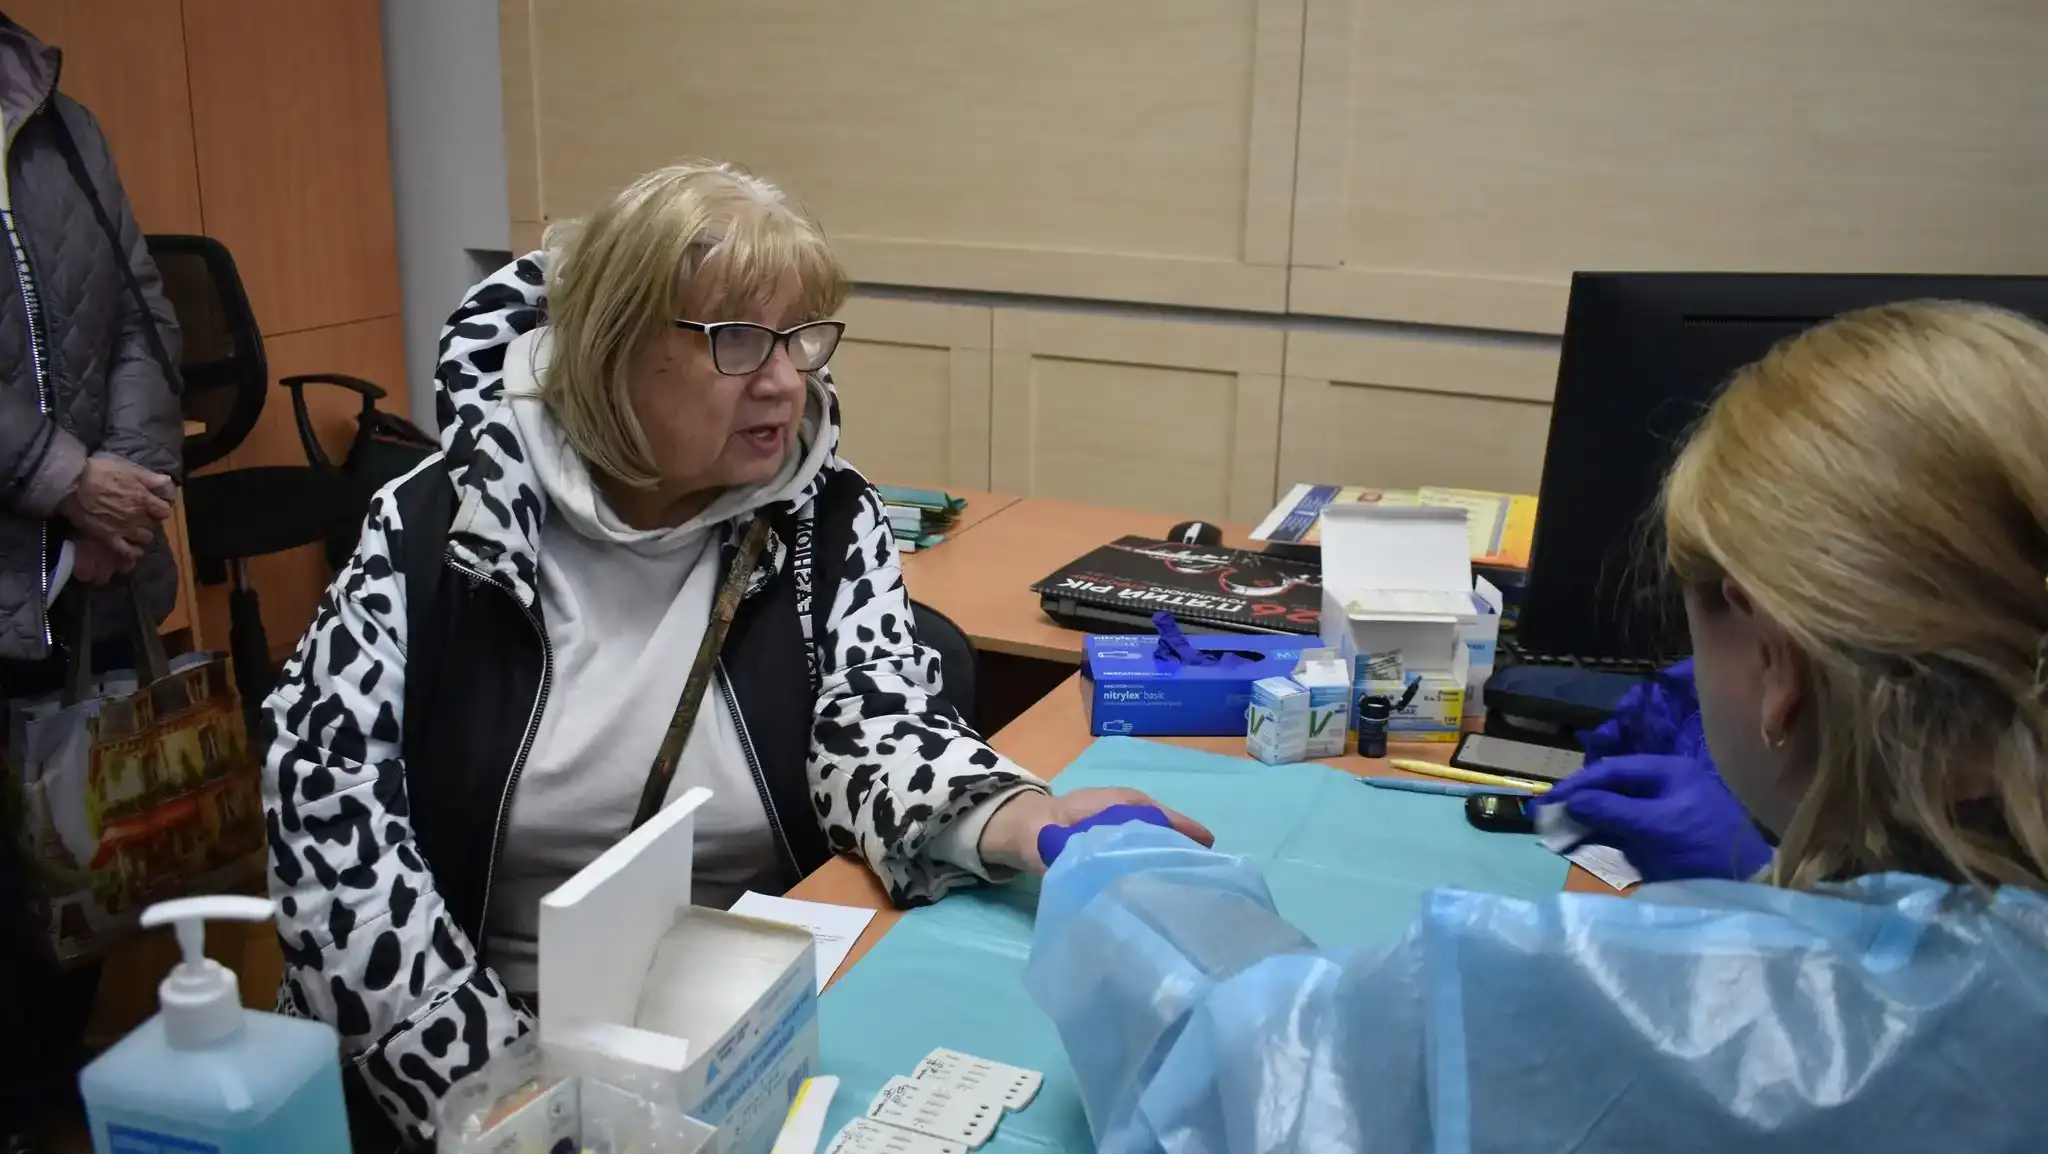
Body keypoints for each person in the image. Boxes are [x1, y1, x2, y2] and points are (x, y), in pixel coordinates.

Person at [259, 160, 1208, 1146]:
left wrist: (1018, 817)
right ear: (613, 348)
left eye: (799, 336)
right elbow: (336, 846)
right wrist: (508, 1101)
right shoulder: (430, 530)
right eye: (737, 338)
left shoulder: (823, 517)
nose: (786, 379)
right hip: (478, 1070)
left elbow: (876, 724)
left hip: (738, 1037)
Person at [1027, 301, 2048, 1152]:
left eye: (1692, 621)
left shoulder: (1668, 1004)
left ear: (1774, 663)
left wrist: (1119, 867)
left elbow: (1240, 1073)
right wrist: (1801, 864)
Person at [0, 14, 182, 1153]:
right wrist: (65, 480)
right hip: (29, 537)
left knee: (81, 854)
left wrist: (126, 490)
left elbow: (143, 318)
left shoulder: (64, 123)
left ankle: (48, 1092)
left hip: (93, 566)